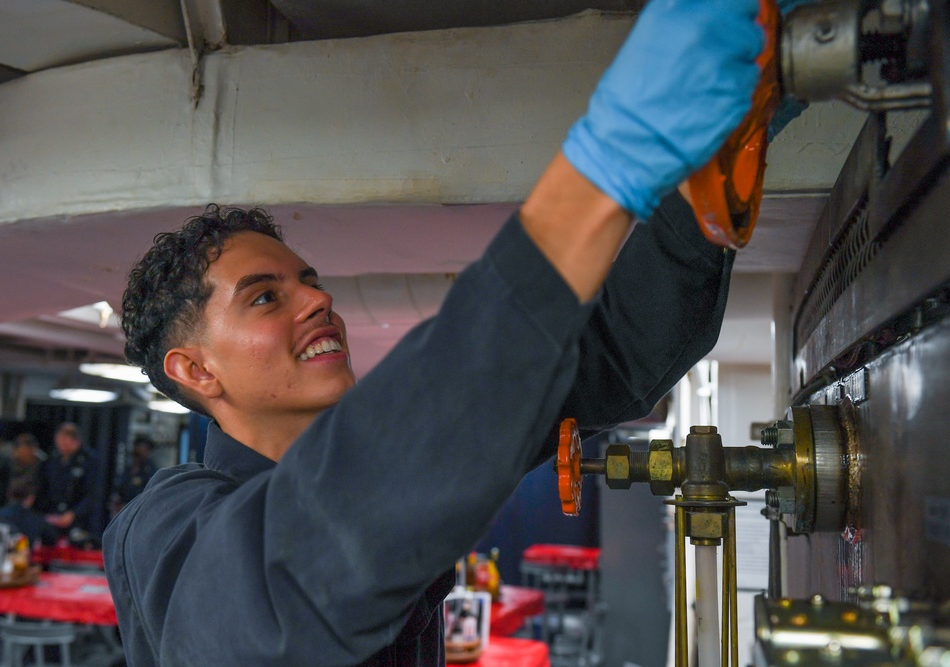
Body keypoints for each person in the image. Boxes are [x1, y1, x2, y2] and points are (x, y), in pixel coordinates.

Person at [104, 1, 765, 664]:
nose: (317, 298)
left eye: (307, 279)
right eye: (267, 296)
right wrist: (613, 162)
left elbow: (612, 355)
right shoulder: (162, 530)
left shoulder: (392, 459)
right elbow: (285, 589)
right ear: (196, 369)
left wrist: (708, 179)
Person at [35, 422, 98, 538]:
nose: (61, 445)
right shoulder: (52, 460)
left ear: (76, 441)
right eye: (59, 441)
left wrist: (74, 514)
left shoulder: (89, 461)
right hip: (53, 516)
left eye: (65, 441)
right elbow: (44, 489)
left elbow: (92, 494)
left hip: (79, 520)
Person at [110, 436, 157, 515]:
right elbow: (120, 488)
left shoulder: (150, 471)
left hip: (139, 513)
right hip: (123, 512)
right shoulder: (128, 469)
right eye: (136, 454)